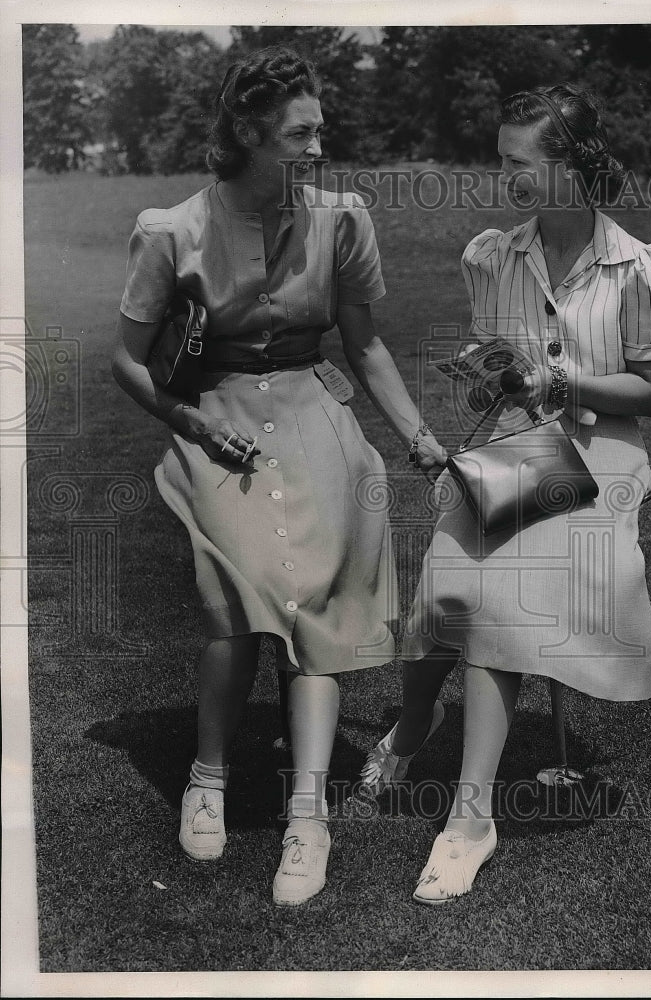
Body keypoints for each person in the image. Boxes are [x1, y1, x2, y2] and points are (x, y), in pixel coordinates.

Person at [111, 46, 446, 907]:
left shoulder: (343, 218)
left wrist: (415, 435)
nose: (319, 144)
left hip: (313, 415)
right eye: (302, 131)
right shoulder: (171, 228)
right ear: (250, 132)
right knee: (243, 596)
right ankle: (209, 776)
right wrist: (187, 422)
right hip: (212, 420)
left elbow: (363, 343)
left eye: (321, 127)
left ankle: (307, 818)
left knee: (315, 607)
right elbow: (127, 360)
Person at [360, 85, 651, 904]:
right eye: (499, 158)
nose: (501, 176)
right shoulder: (490, 256)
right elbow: (500, 371)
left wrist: (562, 377)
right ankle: (412, 720)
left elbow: (648, 391)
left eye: (517, 162)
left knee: (498, 590)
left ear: (572, 166)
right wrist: (491, 378)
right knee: (448, 576)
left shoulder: (642, 266)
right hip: (525, 446)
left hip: (598, 456)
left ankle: (469, 818)